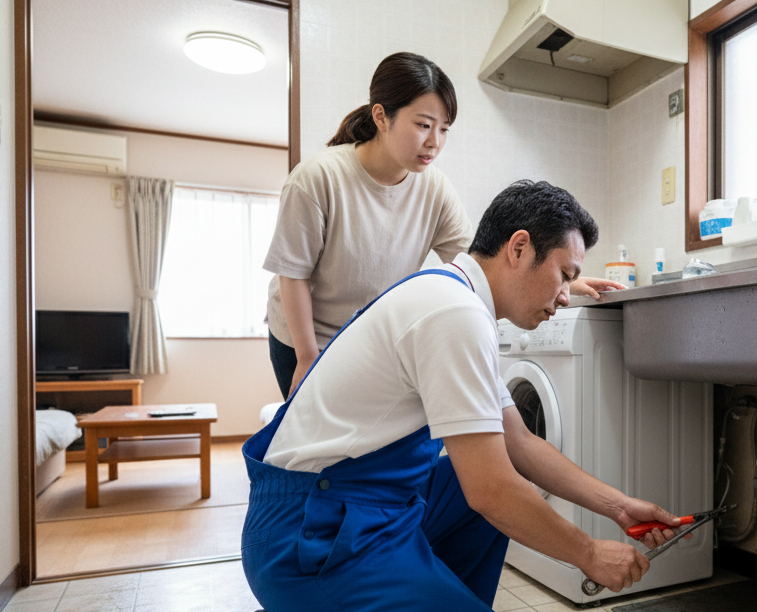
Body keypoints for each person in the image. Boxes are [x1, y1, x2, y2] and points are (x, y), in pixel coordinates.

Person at [229, 180, 682, 612]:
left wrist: (619, 507)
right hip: (310, 538)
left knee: (476, 486)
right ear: (519, 248)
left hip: (352, 509)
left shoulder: (457, 300)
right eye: (565, 274)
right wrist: (588, 554)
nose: (567, 294)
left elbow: (517, 445)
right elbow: (491, 489)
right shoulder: (453, 313)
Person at [264, 52, 623, 399]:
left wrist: (562, 278)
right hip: (303, 337)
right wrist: (307, 357)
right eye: (423, 125)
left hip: (364, 338)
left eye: (444, 129)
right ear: (381, 116)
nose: (434, 142)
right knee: (312, 450)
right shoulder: (317, 178)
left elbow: (480, 261)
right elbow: (293, 273)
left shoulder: (433, 188)